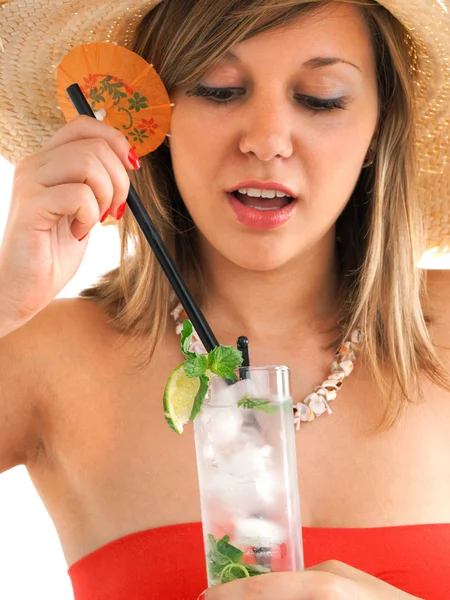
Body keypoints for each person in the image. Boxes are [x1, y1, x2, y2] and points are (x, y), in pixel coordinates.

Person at [0, 0, 449, 598]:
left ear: (379, 126)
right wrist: (5, 298)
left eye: (320, 97)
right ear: (153, 118)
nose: (266, 140)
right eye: (218, 88)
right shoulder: (46, 356)